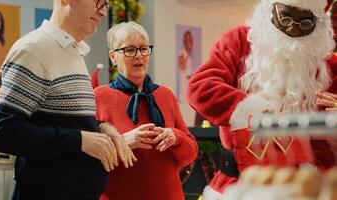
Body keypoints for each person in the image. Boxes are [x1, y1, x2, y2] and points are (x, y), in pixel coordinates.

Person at [187, 0, 337, 199]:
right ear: (271, 8)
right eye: (285, 17)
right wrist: (252, 110)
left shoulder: (330, 66)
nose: (292, 27)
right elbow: (200, 88)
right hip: (241, 183)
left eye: (305, 23)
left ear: (318, 23)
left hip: (307, 186)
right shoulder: (239, 41)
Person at [0, 0, 135, 199]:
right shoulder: (33, 50)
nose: (103, 11)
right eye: (98, 1)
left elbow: (63, 119)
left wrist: (102, 127)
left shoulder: (72, 51)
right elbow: (4, 133)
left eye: (107, 3)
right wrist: (81, 141)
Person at [94, 21, 198, 200]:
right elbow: (89, 161)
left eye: (143, 49)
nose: (138, 56)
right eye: (129, 50)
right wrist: (123, 142)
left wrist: (175, 137)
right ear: (113, 57)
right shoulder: (99, 97)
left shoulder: (165, 94)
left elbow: (190, 155)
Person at [178, 30, 194, 103]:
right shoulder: (181, 53)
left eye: (190, 39)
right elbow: (182, 66)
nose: (189, 41)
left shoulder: (190, 55)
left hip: (189, 86)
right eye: (187, 39)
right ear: (184, 41)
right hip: (184, 85)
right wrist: (187, 54)